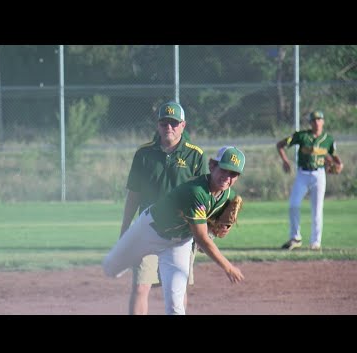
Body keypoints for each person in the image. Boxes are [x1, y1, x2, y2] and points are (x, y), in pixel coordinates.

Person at [103, 146, 246, 315]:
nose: (227, 177)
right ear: (213, 166)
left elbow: (210, 230)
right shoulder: (196, 191)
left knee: (175, 306)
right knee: (110, 267)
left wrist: (217, 231)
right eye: (224, 170)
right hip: (148, 231)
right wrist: (228, 267)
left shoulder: (228, 197)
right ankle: (124, 261)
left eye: (233, 174)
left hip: (178, 244)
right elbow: (201, 239)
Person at [121, 101, 209, 315]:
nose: (168, 127)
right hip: (147, 229)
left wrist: (203, 231)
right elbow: (134, 194)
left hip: (181, 232)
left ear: (183, 125)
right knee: (141, 286)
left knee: (177, 289)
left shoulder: (195, 155)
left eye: (173, 122)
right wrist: (125, 229)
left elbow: (203, 199)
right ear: (157, 125)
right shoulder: (144, 154)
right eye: (164, 122)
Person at [277, 110, 343, 251]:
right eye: (314, 120)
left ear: (323, 122)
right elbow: (280, 145)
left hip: (319, 175)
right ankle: (295, 238)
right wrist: (285, 161)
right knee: (293, 205)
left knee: (317, 210)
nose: (317, 122)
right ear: (310, 123)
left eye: (319, 119)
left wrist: (339, 165)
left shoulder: (328, 139)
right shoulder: (301, 136)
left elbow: (335, 157)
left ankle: (315, 242)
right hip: (302, 174)